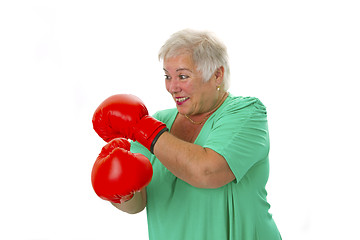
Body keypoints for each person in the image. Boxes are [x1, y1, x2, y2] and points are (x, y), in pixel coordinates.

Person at [91, 29, 282, 240]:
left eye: (183, 76)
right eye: (167, 76)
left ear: (217, 75)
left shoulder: (246, 113)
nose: (172, 88)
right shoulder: (159, 120)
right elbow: (138, 203)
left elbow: (207, 171)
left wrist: (144, 130)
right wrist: (118, 189)